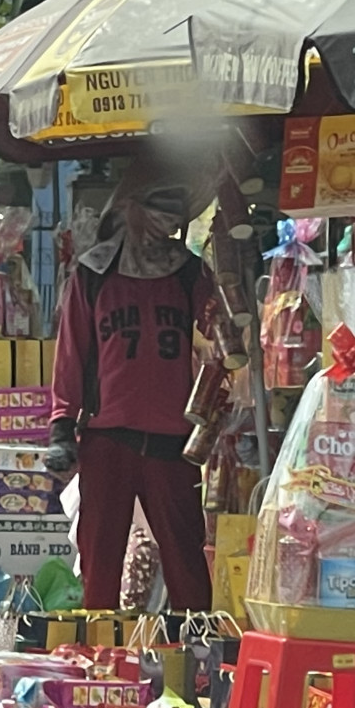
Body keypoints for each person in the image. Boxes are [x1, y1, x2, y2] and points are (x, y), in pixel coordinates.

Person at [46, 164, 215, 611]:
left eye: (176, 210)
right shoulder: (93, 274)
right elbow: (71, 354)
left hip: (175, 442)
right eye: (159, 207)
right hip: (107, 438)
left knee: (186, 562)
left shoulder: (191, 276)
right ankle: (96, 661)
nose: (168, 220)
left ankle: (193, 657)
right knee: (100, 562)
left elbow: (219, 345)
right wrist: (61, 425)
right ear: (131, 209)